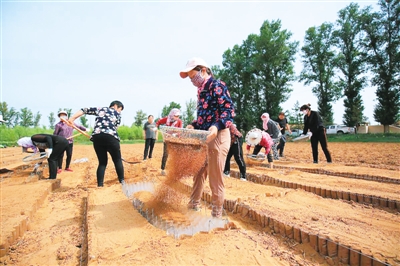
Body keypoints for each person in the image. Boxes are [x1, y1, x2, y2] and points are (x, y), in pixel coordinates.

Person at [180, 57, 235, 219]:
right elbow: (204, 117)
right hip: (204, 137)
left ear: (203, 70)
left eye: (193, 76)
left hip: (218, 136)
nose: (192, 80)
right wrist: (193, 125)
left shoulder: (217, 86)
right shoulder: (201, 90)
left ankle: (216, 213)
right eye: (190, 78)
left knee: (215, 177)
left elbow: (228, 111)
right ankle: (194, 203)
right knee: (198, 172)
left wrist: (216, 126)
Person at [68, 100, 125, 187]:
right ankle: (122, 182)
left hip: (97, 137)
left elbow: (84, 110)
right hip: (111, 137)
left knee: (102, 162)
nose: (119, 111)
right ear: (116, 106)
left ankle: (100, 185)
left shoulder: (101, 109)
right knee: (117, 160)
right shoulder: (118, 114)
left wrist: (72, 119)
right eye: (120, 109)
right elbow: (115, 128)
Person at [155, 108, 183, 175]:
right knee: (165, 154)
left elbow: (180, 130)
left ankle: (176, 170)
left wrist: (175, 134)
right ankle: (163, 169)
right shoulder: (167, 119)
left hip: (176, 140)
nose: (177, 117)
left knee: (176, 154)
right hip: (167, 139)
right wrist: (156, 127)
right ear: (172, 115)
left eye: (178, 116)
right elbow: (158, 122)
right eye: (175, 116)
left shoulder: (179, 121)